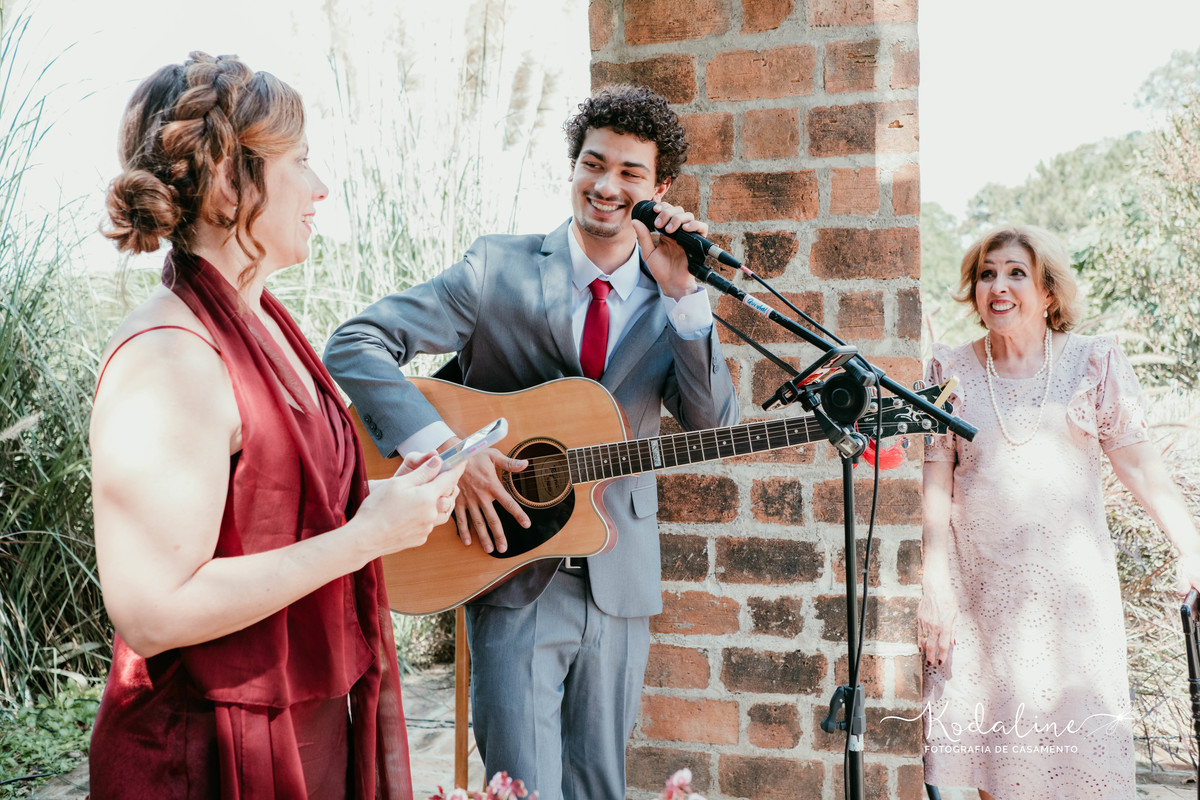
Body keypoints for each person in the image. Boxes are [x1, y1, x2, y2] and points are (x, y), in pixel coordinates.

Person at [322, 85, 739, 800]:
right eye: (592, 163)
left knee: (599, 787)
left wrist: (683, 296)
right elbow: (355, 343)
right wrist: (447, 451)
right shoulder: (498, 271)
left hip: (619, 579)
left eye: (630, 174)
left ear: (660, 188)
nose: (606, 186)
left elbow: (713, 427)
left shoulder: (676, 301)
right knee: (520, 788)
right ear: (574, 166)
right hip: (511, 574)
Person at [88, 52, 465, 799]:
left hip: (302, 726)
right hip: (205, 755)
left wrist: (397, 502)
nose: (321, 187)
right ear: (232, 180)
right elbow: (154, 610)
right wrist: (365, 539)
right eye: (299, 159)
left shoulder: (268, 323)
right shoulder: (169, 355)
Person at [917, 224, 1200, 799]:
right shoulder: (948, 373)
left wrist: (1191, 547)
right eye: (987, 274)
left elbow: (1142, 469)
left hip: (1073, 608)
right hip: (980, 603)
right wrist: (933, 587)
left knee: (1075, 775)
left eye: (1016, 273)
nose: (998, 285)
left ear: (1048, 293)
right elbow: (934, 486)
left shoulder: (1092, 364)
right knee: (991, 772)